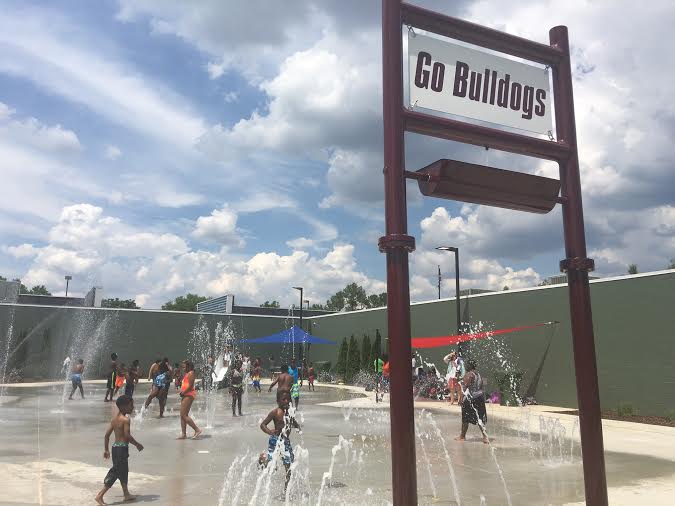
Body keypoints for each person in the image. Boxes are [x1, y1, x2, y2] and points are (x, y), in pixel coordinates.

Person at [95, 395, 144, 505]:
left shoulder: (114, 419)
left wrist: (106, 450)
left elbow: (107, 435)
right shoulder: (125, 420)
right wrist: (137, 444)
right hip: (122, 449)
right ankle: (100, 495)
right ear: (123, 406)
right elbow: (127, 436)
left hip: (115, 448)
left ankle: (126, 494)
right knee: (116, 472)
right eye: (131, 405)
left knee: (123, 471)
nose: (133, 407)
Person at [258, 389, 301, 492]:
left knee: (289, 465)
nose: (286, 401)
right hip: (275, 440)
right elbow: (263, 424)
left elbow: (293, 422)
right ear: (278, 401)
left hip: (286, 441)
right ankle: (263, 457)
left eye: (288, 399)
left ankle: (286, 490)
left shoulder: (290, 412)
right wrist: (270, 432)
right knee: (271, 464)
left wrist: (298, 428)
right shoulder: (275, 412)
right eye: (284, 399)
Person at [455, 359, 489, 444]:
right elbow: (481, 387)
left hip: (471, 399)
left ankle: (462, 436)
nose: (465, 366)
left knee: (465, 418)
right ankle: (485, 437)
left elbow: (464, 388)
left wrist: (461, 399)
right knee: (480, 418)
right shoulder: (478, 374)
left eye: (467, 365)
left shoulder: (469, 374)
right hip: (479, 397)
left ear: (470, 366)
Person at [178, 360, 202, 440]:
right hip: (185, 394)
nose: (183, 368)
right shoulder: (187, 373)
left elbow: (191, 386)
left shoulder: (191, 373)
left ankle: (197, 430)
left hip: (188, 395)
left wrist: (183, 392)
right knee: (182, 415)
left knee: (184, 415)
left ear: (189, 366)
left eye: (184, 367)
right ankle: (183, 434)